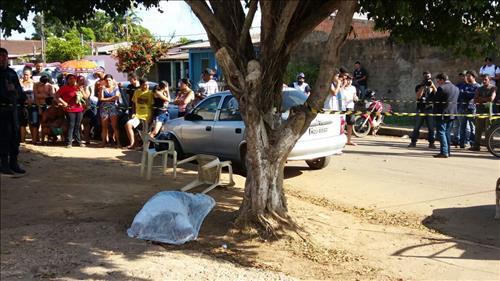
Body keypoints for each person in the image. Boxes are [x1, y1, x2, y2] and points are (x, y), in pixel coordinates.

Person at [0, 47, 26, 175]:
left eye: (5, 55)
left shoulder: (12, 73)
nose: (3, 58)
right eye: (1, 56)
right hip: (1, 109)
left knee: (15, 136)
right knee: (4, 137)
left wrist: (20, 99)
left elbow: (19, 90)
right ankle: (4, 164)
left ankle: (14, 163)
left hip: (13, 108)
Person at [56, 74, 89, 148]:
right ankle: (69, 142)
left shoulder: (78, 87)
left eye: (73, 78)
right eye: (70, 78)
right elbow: (56, 96)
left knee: (77, 126)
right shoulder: (64, 88)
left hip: (79, 109)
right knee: (71, 125)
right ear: (67, 80)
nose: (72, 80)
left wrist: (82, 90)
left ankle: (78, 141)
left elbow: (86, 97)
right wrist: (63, 102)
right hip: (70, 109)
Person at [433, 73, 459, 158]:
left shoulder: (441, 88)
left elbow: (435, 100)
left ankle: (444, 152)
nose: (438, 83)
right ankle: (448, 151)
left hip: (442, 113)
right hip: (452, 113)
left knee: (441, 132)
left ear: (442, 80)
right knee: (447, 132)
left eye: (438, 81)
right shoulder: (456, 88)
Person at [408, 71, 437, 148]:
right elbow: (418, 97)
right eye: (426, 77)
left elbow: (437, 95)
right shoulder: (419, 86)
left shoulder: (432, 87)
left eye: (429, 77)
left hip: (429, 109)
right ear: (423, 78)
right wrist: (423, 86)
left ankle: (431, 143)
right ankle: (413, 142)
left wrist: (433, 86)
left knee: (431, 127)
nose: (427, 79)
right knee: (417, 126)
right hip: (420, 109)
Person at [470, 74, 496, 151]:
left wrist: (480, 99)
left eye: (486, 79)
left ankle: (490, 146)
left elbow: (491, 99)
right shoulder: (479, 88)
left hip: (489, 112)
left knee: (488, 129)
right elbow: (475, 100)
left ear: (489, 80)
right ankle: (476, 146)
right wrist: (485, 99)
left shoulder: (493, 88)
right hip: (480, 111)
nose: (484, 81)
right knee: (478, 129)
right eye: (483, 80)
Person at [125, 78, 154, 149]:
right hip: (137, 115)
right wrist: (133, 113)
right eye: (144, 85)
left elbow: (153, 106)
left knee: (145, 133)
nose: (147, 86)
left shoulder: (150, 93)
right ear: (141, 85)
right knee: (128, 125)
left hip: (147, 116)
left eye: (147, 85)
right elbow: (134, 103)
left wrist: (151, 117)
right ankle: (132, 143)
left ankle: (143, 147)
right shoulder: (136, 92)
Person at [31, 74, 56, 144]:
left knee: (47, 123)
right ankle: (34, 140)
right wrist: (39, 106)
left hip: (47, 106)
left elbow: (52, 97)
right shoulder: (36, 85)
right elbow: (36, 97)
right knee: (35, 123)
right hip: (36, 105)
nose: (44, 83)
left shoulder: (50, 86)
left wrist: (41, 96)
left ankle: (45, 140)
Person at [98, 74, 121, 147]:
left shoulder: (115, 88)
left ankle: (118, 143)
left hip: (112, 107)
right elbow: (101, 99)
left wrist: (106, 99)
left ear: (112, 80)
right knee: (104, 126)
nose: (108, 81)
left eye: (109, 80)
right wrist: (111, 98)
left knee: (115, 126)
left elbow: (117, 97)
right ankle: (103, 142)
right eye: (106, 80)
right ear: (104, 81)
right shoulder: (102, 88)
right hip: (105, 108)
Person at [458, 70, 480, 148]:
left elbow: (474, 96)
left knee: (472, 127)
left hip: (472, 109)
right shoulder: (464, 85)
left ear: (473, 77)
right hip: (463, 108)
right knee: (462, 127)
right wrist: (466, 93)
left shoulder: (477, 86)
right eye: (466, 76)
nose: (467, 77)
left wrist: (466, 93)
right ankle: (462, 143)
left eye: (469, 76)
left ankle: (472, 143)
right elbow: (460, 94)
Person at [341, 73, 358, 145]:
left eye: (350, 80)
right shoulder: (342, 87)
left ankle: (349, 140)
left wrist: (356, 98)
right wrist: (343, 85)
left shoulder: (353, 88)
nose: (349, 81)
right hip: (342, 107)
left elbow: (355, 96)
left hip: (350, 107)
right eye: (348, 80)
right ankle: (341, 140)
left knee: (350, 124)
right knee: (342, 124)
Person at [452, 71, 468, 146]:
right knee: (456, 125)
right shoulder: (458, 85)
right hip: (457, 107)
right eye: (461, 76)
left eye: (464, 76)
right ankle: (455, 140)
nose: (462, 77)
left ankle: (465, 141)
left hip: (465, 108)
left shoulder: (469, 85)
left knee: (465, 126)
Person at [19, 68, 34, 143]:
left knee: (32, 122)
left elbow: (36, 94)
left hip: (33, 105)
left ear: (30, 75)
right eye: (24, 74)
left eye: (27, 75)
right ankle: (22, 140)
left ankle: (34, 139)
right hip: (22, 105)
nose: (25, 76)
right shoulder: (20, 83)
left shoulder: (34, 83)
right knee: (23, 123)